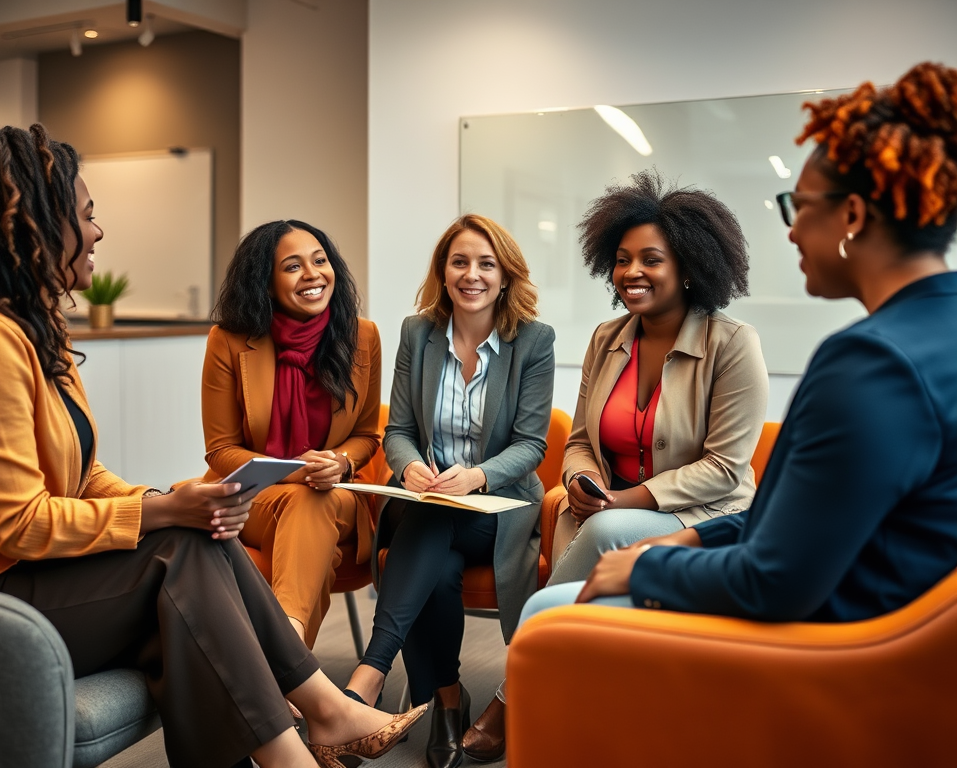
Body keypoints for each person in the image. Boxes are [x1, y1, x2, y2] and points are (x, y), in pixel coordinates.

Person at [0, 125, 425, 768]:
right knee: (180, 550)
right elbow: (20, 526)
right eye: (86, 215)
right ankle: (316, 725)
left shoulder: (33, 331)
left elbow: (83, 477)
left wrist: (169, 498)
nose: (99, 231)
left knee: (197, 538)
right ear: (32, 222)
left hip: (34, 575)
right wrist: (166, 511)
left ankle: (314, 728)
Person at [519, 61, 957, 636]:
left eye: (798, 208)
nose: (793, 232)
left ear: (851, 215)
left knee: (545, 615)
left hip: (831, 650)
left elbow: (775, 578)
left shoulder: (870, 364)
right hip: (887, 630)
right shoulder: (936, 333)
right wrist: (689, 540)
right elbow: (789, 525)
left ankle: (513, 712)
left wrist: (650, 565)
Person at [463, 170, 769, 761]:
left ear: (690, 264)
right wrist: (580, 478)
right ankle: (564, 697)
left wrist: (618, 503)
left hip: (701, 517)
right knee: (595, 528)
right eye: (623, 259)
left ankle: (512, 692)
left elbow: (726, 469)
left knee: (602, 530)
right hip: (603, 509)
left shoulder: (734, 345)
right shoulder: (607, 338)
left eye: (651, 259)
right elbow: (580, 439)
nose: (632, 273)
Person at [342, 214, 555, 768]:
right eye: (459, 262)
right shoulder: (419, 333)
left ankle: (370, 677)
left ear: (505, 276)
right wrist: (410, 468)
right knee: (434, 552)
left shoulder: (533, 341)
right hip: (427, 504)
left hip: (496, 509)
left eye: (487, 264)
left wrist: (476, 475)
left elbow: (532, 445)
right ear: (443, 271)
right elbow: (400, 433)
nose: (472, 275)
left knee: (432, 523)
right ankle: (447, 702)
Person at [201, 219, 381, 648]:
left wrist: (341, 462)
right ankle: (293, 663)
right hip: (254, 498)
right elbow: (221, 450)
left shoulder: (362, 336)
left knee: (314, 503)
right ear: (264, 282)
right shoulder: (228, 340)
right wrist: (297, 471)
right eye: (293, 266)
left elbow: (367, 434)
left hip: (334, 494)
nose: (313, 274)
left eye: (320, 261)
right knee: (311, 516)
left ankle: (285, 659)